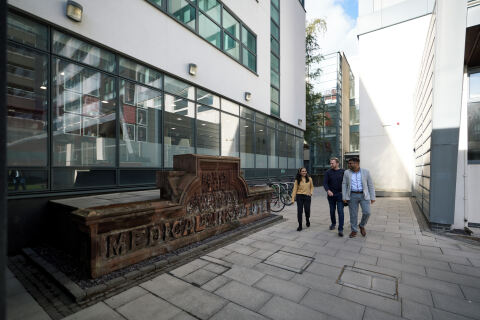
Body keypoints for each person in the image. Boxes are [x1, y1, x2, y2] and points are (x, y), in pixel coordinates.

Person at [342, 157, 375, 238]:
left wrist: (372, 196)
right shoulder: (346, 172)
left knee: (367, 212)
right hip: (352, 195)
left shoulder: (366, 172)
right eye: (348, 163)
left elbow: (370, 185)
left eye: (350, 163)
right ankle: (354, 230)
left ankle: (362, 225)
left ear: (356, 163)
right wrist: (344, 197)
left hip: (364, 195)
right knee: (353, 214)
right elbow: (344, 185)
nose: (348, 165)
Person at [323, 157, 345, 237]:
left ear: (337, 163)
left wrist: (344, 193)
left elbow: (346, 183)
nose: (331, 164)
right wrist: (328, 190)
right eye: (330, 163)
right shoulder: (328, 172)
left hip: (340, 195)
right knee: (332, 211)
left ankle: (340, 229)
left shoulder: (343, 172)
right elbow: (325, 183)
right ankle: (333, 223)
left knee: (340, 212)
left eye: (332, 163)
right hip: (331, 196)